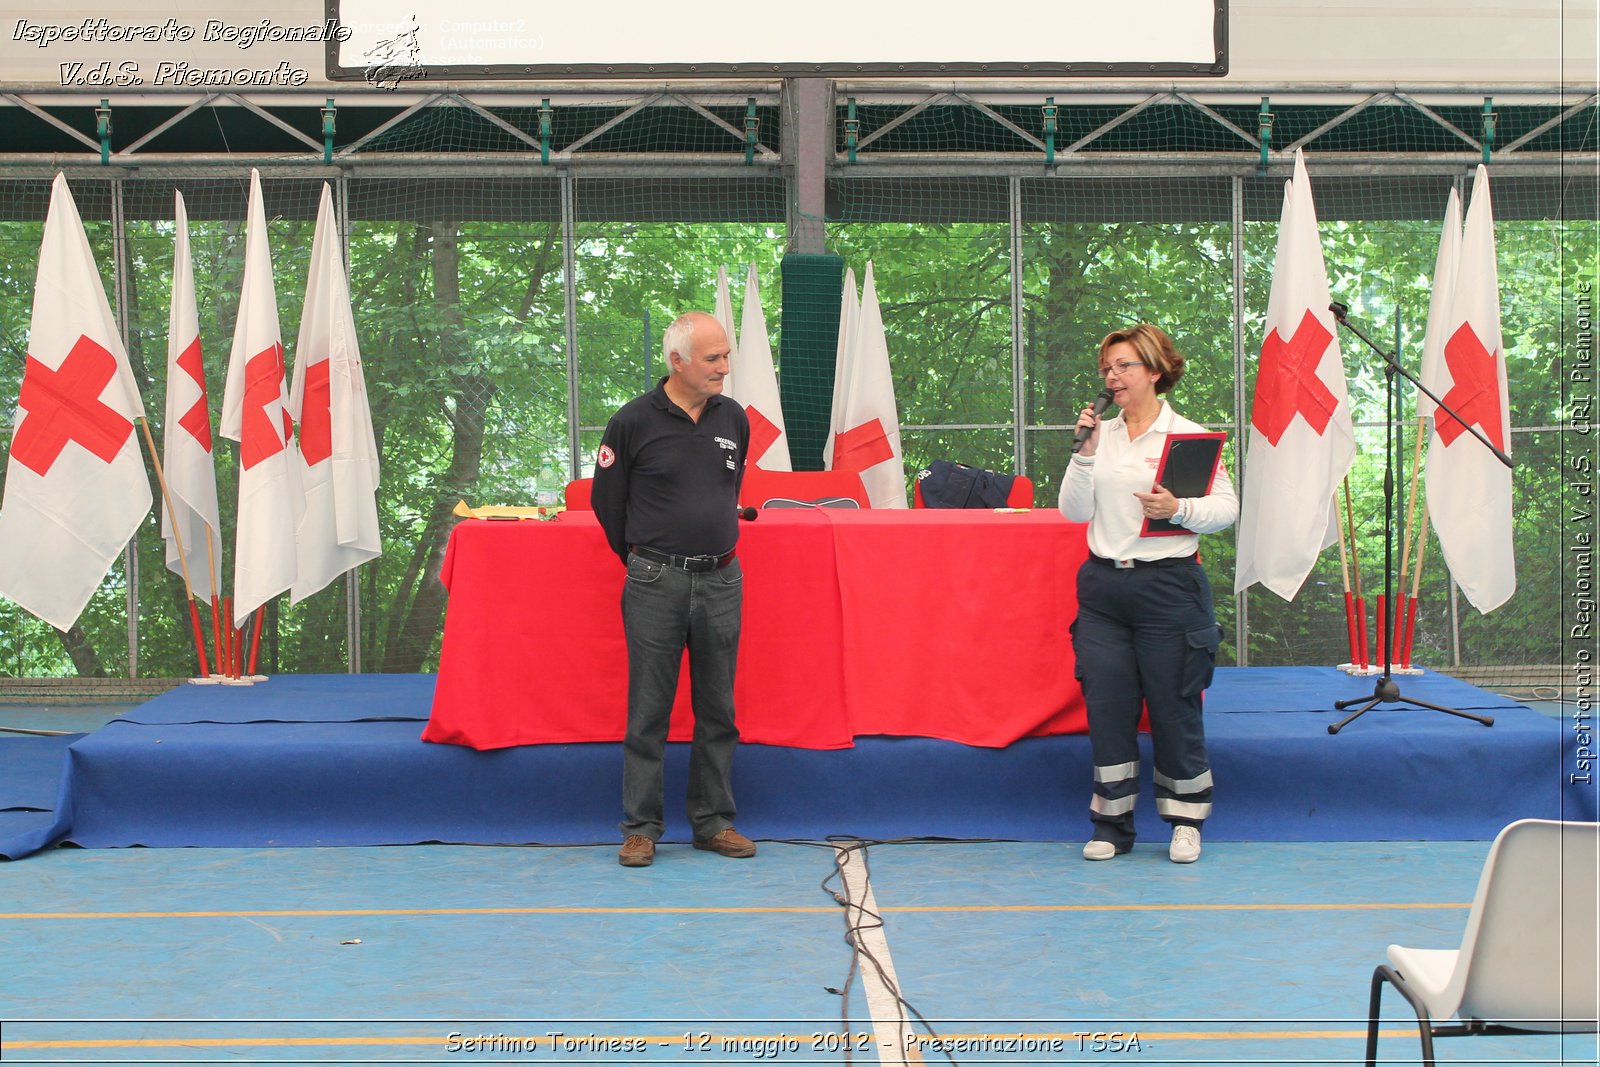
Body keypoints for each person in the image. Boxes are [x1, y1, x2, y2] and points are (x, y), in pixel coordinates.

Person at [1059, 324, 1238, 864]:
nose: (1112, 377)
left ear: (1154, 371)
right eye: (1107, 368)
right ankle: (1111, 824)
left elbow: (1226, 509)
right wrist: (1085, 453)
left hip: (1169, 586)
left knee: (1173, 703)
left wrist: (1178, 510)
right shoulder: (1101, 435)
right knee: (1108, 704)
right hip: (1104, 588)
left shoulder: (1188, 437)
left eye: (1124, 366)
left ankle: (1186, 820)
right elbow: (1073, 511)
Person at [590, 311, 755, 868]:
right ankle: (641, 829)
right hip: (655, 581)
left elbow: (729, 487)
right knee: (649, 711)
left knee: (719, 709)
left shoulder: (734, 418)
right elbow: (606, 505)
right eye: (713, 359)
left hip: (723, 580)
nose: (724, 369)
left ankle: (712, 823)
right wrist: (646, 560)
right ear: (676, 361)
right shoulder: (632, 421)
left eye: (726, 356)